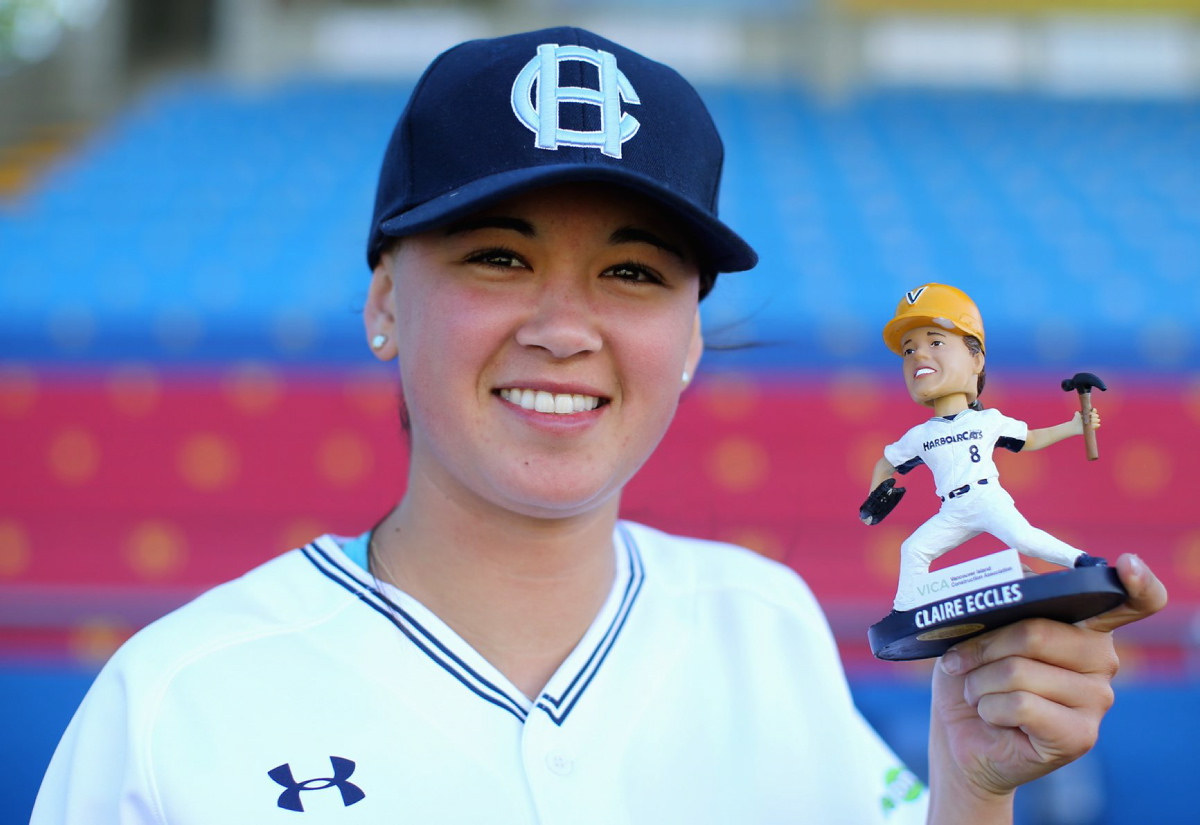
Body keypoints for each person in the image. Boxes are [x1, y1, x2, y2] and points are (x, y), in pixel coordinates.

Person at [32, 27, 1166, 824]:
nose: (565, 328)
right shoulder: (175, 700)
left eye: (632, 271)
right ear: (385, 302)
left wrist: (972, 791)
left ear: (685, 341)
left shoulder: (760, 622)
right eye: (498, 257)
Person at [863, 284, 1108, 612]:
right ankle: (905, 609)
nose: (919, 355)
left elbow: (1030, 439)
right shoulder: (920, 434)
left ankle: (1084, 561)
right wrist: (873, 502)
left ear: (976, 358)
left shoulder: (987, 420)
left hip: (986, 497)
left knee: (1022, 538)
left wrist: (1074, 427)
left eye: (936, 342)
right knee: (913, 550)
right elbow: (885, 463)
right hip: (951, 508)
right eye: (909, 350)